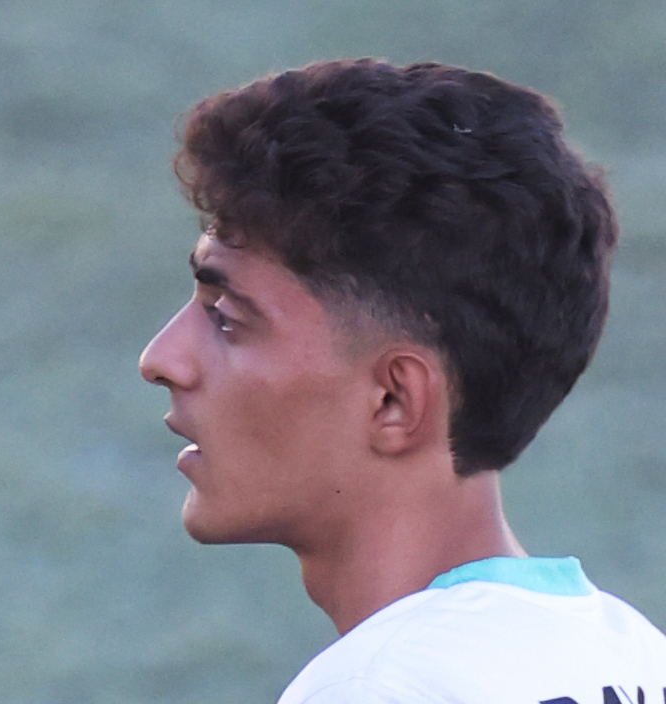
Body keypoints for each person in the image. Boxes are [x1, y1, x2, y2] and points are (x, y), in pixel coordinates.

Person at [139, 59, 666, 703]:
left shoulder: (376, 685)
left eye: (226, 319)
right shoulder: (639, 657)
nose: (162, 359)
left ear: (394, 401)